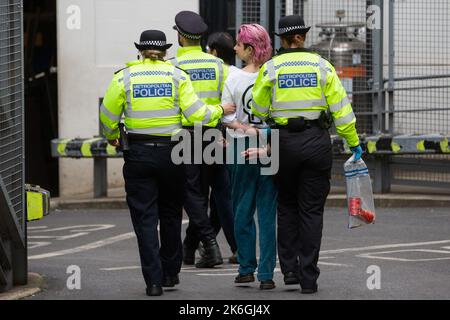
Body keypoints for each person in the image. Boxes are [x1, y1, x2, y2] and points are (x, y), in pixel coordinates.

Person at [100, 30, 235, 296]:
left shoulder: (124, 77)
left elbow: (107, 116)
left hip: (138, 154)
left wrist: (113, 137)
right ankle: (171, 273)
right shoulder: (177, 76)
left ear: (140, 51)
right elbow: (197, 114)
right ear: (164, 51)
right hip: (173, 154)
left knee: (145, 219)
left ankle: (153, 282)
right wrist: (219, 111)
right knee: (171, 213)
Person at [250, 15, 362, 294]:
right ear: (302, 37)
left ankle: (288, 270)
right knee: (311, 211)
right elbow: (341, 110)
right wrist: (354, 142)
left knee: (286, 206)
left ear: (283, 39)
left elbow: (258, 108)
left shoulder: (271, 68)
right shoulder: (322, 66)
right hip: (315, 141)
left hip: (282, 143)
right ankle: (309, 277)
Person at [170, 11, 236, 268]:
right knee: (218, 191)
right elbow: (229, 101)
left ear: (179, 36)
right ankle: (189, 248)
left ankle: (208, 245)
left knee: (192, 193)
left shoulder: (173, 66)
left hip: (186, 135)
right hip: (215, 134)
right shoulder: (219, 66)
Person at [221, 24, 277, 290]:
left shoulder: (233, 78)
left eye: (239, 44)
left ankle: (246, 269)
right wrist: (263, 131)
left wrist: (245, 128)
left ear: (249, 48)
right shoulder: (274, 74)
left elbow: (227, 117)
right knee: (267, 212)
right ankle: (267, 274)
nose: (234, 47)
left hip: (240, 148)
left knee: (242, 210)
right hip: (271, 146)